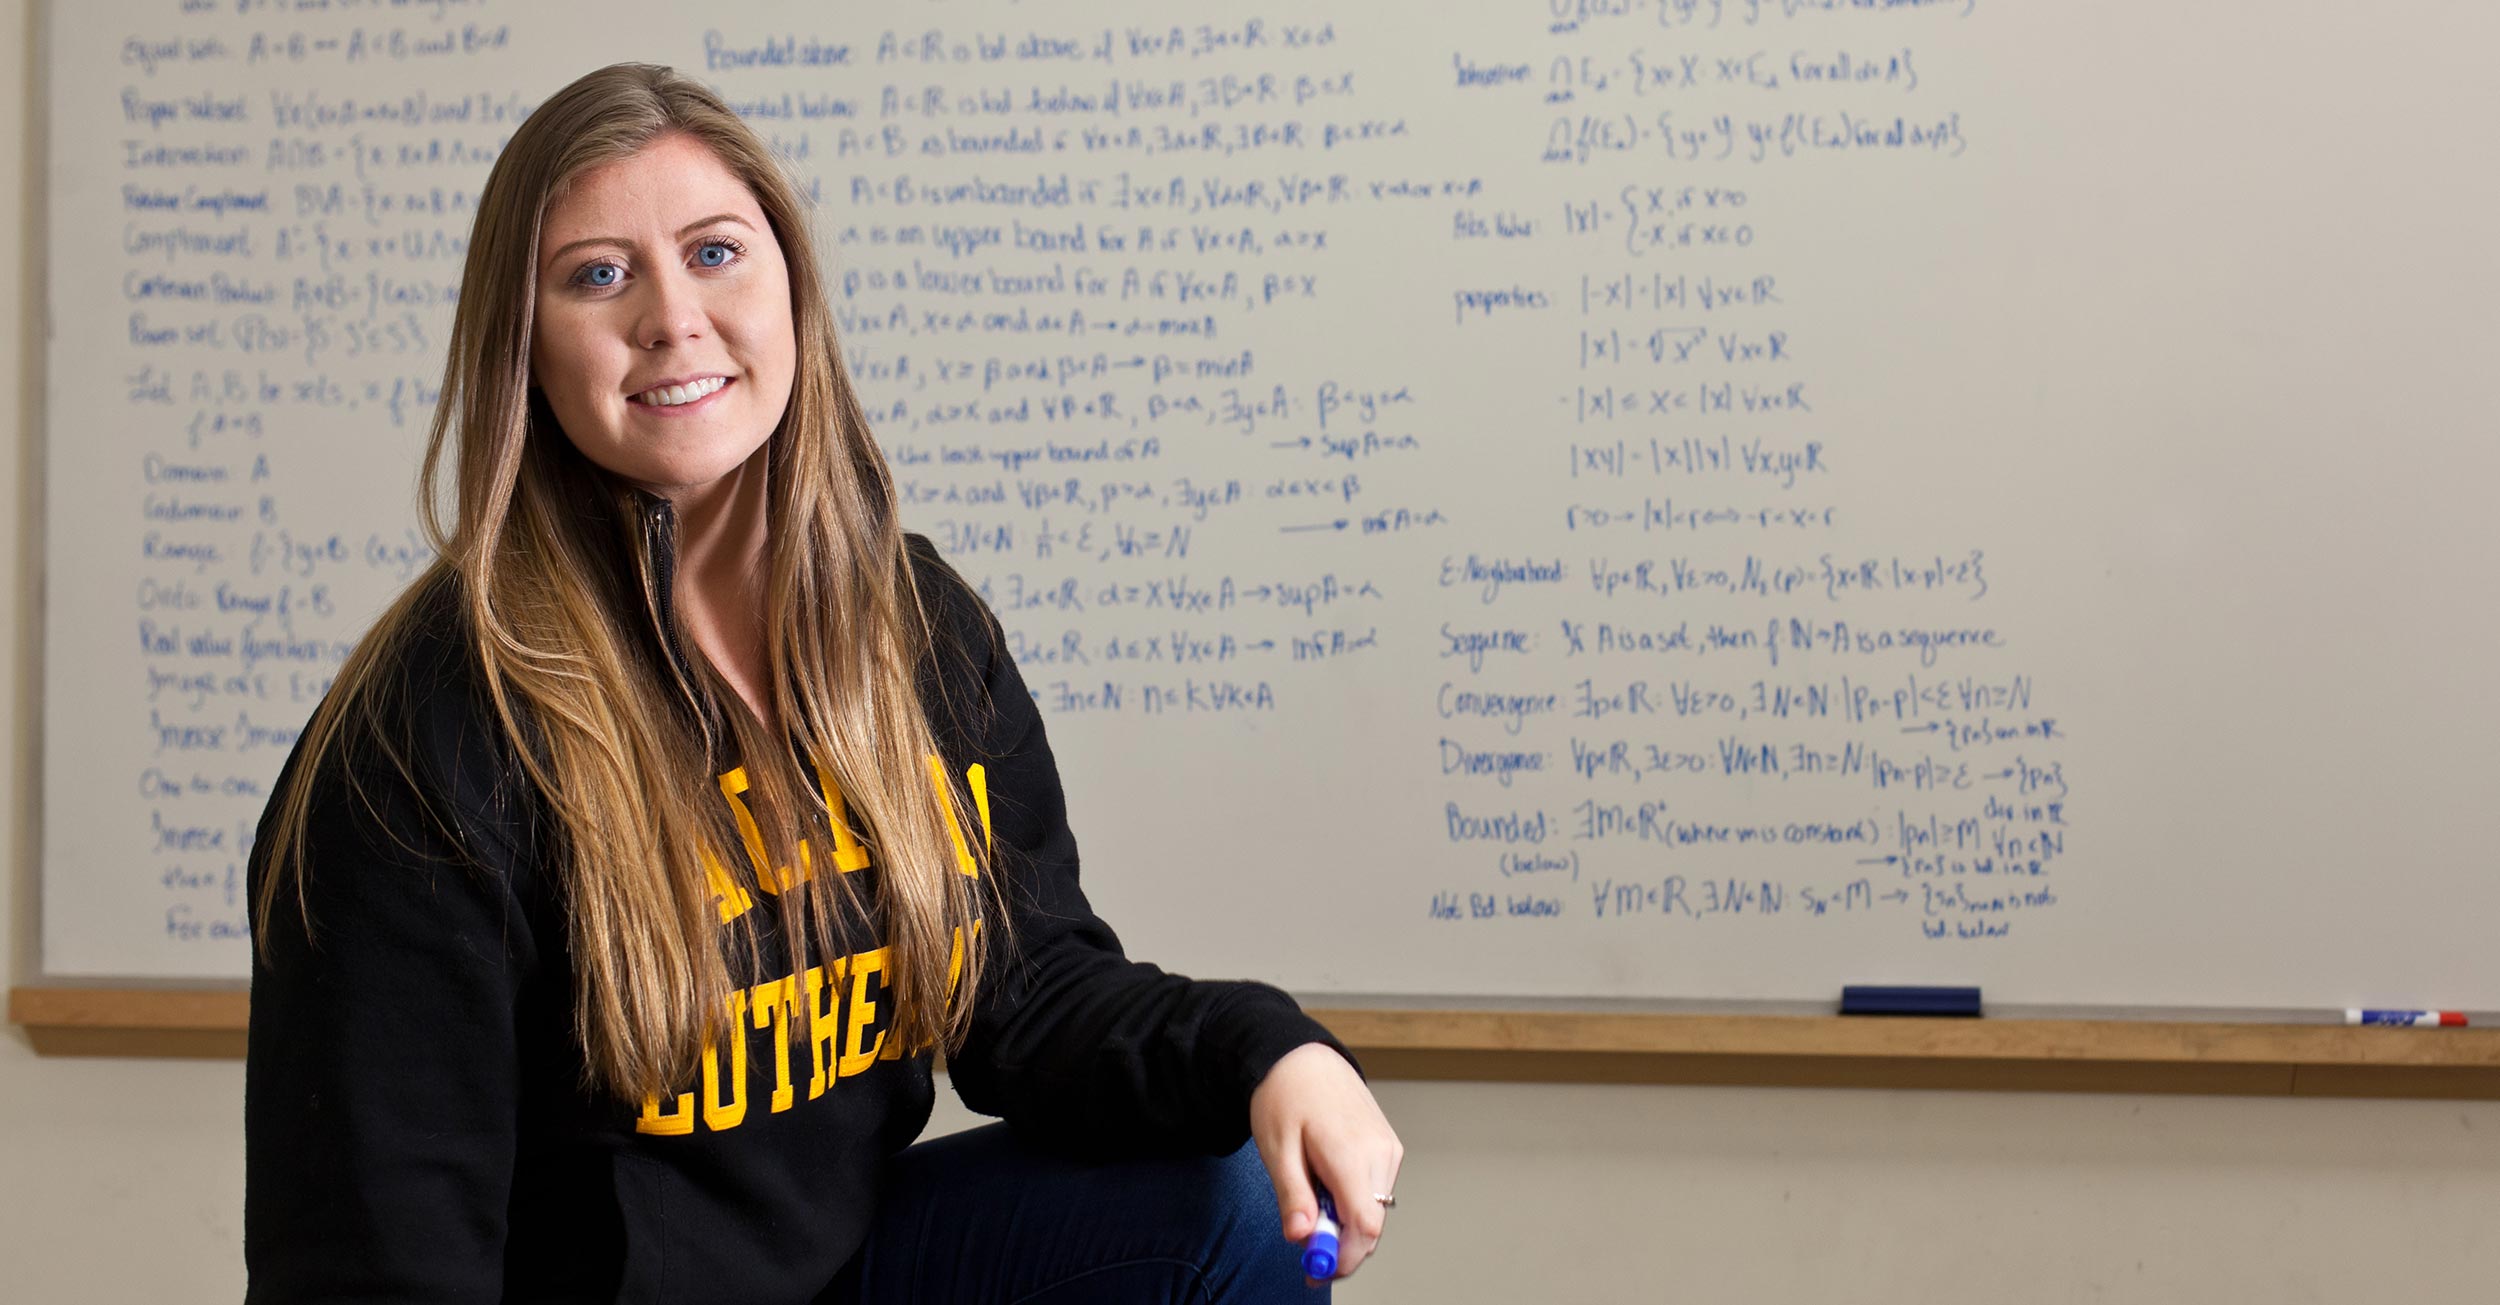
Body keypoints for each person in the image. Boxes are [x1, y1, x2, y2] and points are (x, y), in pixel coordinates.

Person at [244, 62, 1401, 1303]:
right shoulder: (422, 748)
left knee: (1225, 1199)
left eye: (715, 253)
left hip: (849, 1273)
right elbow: (377, 1261)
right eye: (597, 274)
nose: (671, 318)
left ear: (790, 284)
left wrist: (1270, 1049)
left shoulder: (913, 627)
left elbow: (1025, 992)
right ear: (520, 344)